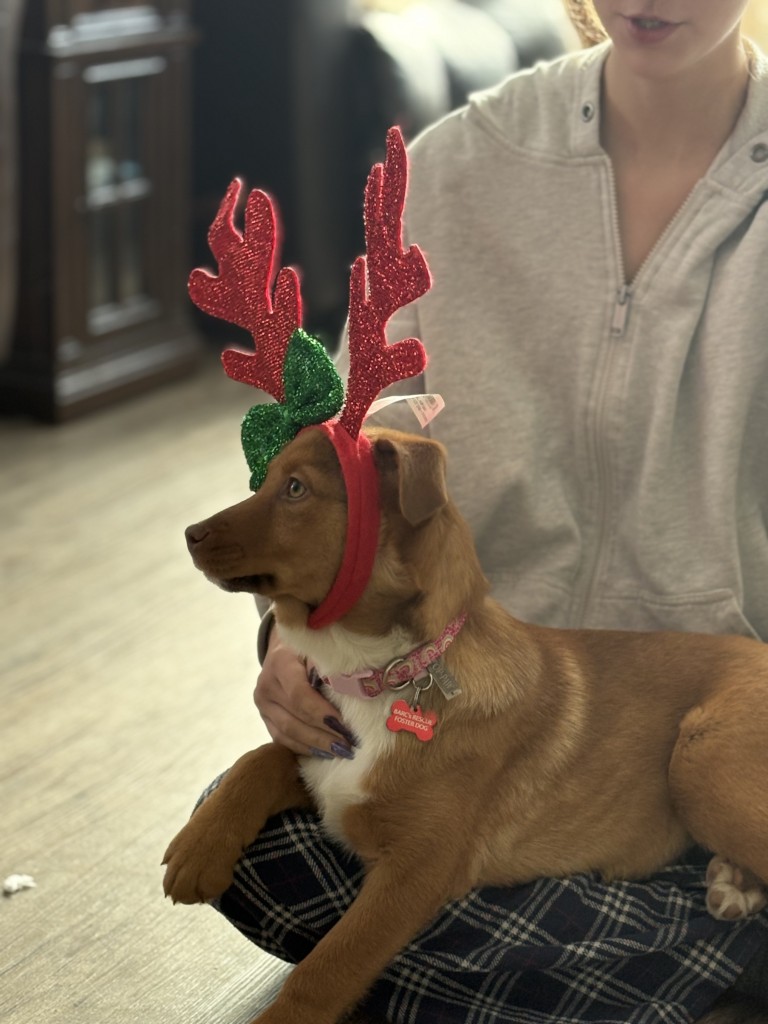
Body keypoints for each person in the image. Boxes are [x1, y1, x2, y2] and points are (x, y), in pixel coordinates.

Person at [202, 1, 768, 1020]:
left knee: (416, 913)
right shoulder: (453, 168)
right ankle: (681, 953)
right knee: (246, 846)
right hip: (460, 725)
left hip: (718, 738)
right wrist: (291, 646)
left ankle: (602, 943)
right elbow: (340, 475)